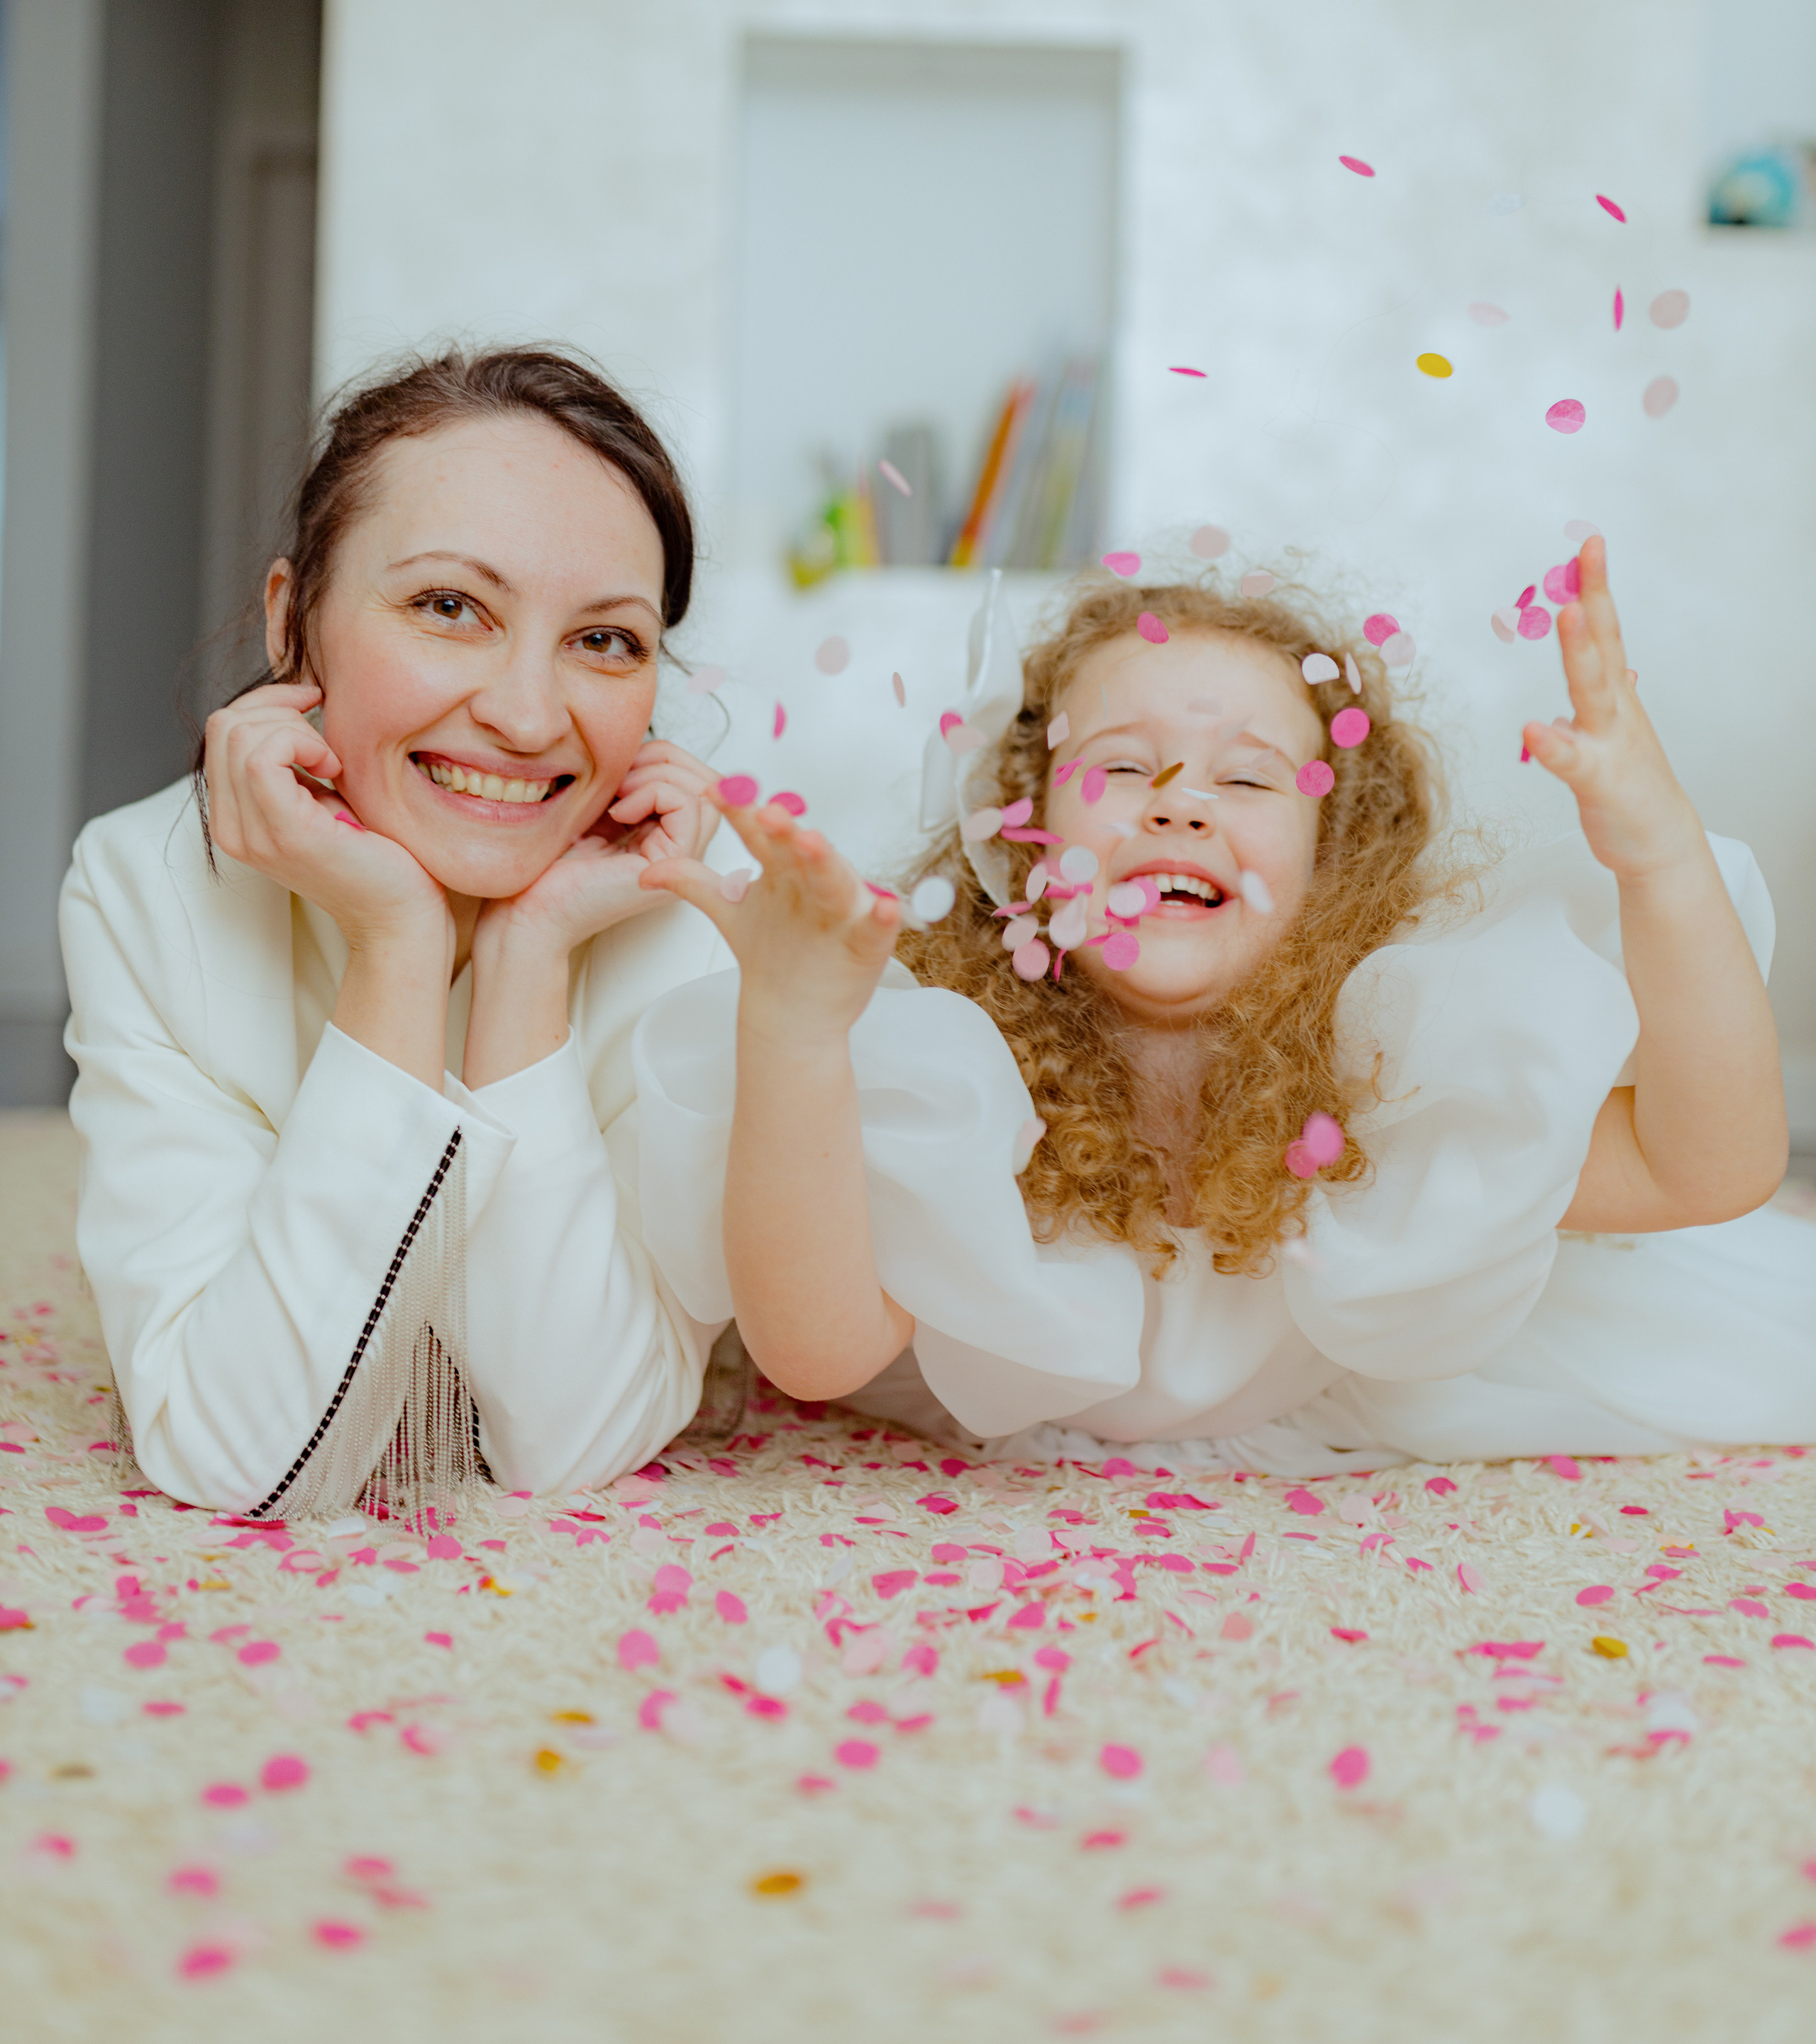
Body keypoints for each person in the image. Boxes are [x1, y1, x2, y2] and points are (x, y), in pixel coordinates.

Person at [631, 541, 1811, 1471]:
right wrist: (793, 1026)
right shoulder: (950, 1062)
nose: (1183, 802)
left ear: (1329, 860)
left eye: (1248, 778)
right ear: (1023, 835)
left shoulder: (1394, 1074)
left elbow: (1705, 1169)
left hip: (1329, 1396)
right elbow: (817, 1351)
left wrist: (1658, 857)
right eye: (1124, 768)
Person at [62, 346, 733, 1519]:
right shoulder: (145, 886)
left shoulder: (685, 909)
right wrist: (398, 947)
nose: (528, 716)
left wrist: (528, 963)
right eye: (448, 608)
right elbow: (235, 1454)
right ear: (293, 622)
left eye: (606, 640)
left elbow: (574, 1442)